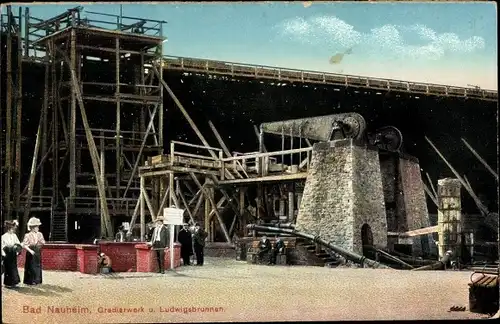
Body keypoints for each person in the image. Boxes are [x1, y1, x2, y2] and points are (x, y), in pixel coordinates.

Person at [2, 220, 30, 288]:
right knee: (8, 268)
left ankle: (14, 282)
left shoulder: (14, 235)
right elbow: (2, 246)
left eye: (13, 229)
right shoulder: (3, 236)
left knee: (14, 268)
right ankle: (8, 283)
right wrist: (4, 254)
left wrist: (19, 247)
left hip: (13, 253)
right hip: (7, 253)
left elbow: (17, 244)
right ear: (8, 229)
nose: (13, 230)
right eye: (11, 229)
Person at [23, 217, 45, 285]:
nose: (38, 228)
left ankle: (37, 280)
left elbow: (43, 242)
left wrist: (39, 244)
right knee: (30, 266)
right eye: (37, 227)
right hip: (30, 252)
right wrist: (30, 250)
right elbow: (24, 245)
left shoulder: (39, 234)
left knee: (37, 266)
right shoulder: (27, 235)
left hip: (37, 251)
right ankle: (30, 281)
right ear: (32, 227)